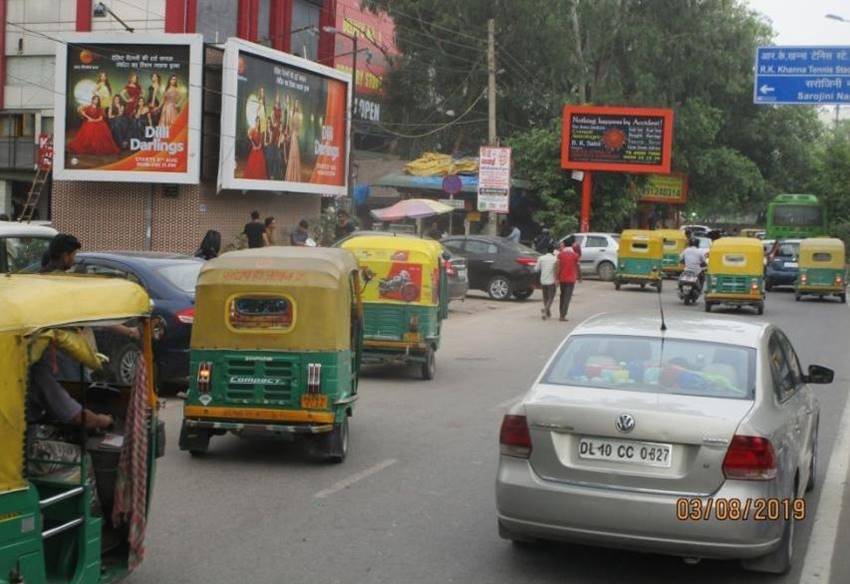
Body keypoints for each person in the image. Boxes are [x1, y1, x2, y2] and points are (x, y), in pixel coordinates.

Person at [557, 241, 580, 321]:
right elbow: (578, 266)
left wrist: (557, 277)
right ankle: (562, 315)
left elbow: (558, 267)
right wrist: (580, 277)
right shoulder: (575, 255)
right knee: (567, 297)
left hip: (562, 279)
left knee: (562, 296)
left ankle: (561, 313)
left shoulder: (560, 255)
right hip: (571, 280)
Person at [536, 244, 559, 320]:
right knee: (551, 297)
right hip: (551, 281)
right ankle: (545, 310)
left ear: (546, 250)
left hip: (543, 280)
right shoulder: (555, 258)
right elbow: (557, 270)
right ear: (553, 251)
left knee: (545, 297)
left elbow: (536, 269)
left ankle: (548, 312)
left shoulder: (541, 258)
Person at [243, 115, 268, 180]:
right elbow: (250, 139)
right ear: (255, 122)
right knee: (252, 165)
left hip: (259, 150)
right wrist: (254, 146)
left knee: (260, 165)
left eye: (259, 122)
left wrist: (259, 146)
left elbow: (260, 142)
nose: (258, 123)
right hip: (254, 149)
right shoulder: (252, 129)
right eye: (257, 121)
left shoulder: (261, 131)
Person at [284, 101, 302, 182]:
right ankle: (292, 176)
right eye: (295, 103)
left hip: (294, 136)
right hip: (293, 136)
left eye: (297, 104)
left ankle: (294, 177)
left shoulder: (297, 115)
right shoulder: (294, 114)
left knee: (294, 154)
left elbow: (297, 127)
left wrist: (294, 133)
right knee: (292, 153)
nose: (296, 105)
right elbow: (291, 127)